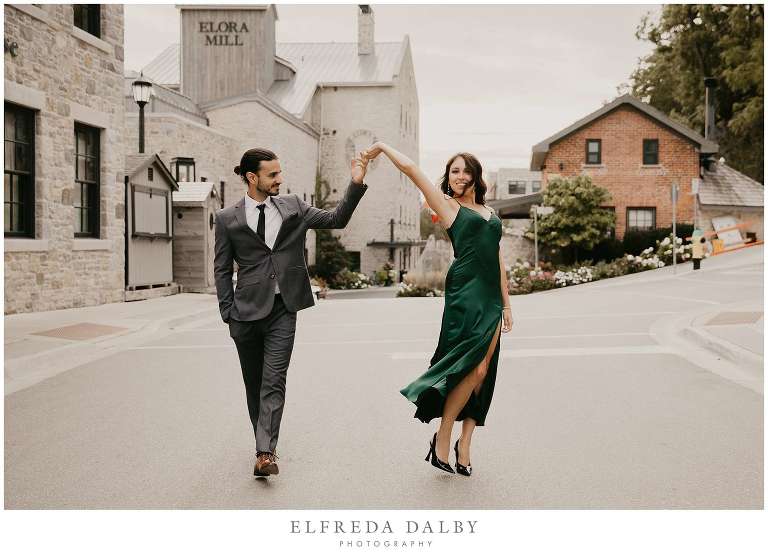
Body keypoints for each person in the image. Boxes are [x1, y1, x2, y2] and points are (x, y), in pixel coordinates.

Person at [214, 147, 369, 477]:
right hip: (244, 312)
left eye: (279, 173)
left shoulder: (294, 207)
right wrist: (227, 311)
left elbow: (335, 219)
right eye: (273, 175)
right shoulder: (228, 218)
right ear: (252, 177)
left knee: (274, 380)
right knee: (254, 384)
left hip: (284, 308)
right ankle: (263, 440)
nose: (279, 180)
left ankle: (265, 452)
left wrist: (355, 183)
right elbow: (221, 268)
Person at [364, 143, 513, 477]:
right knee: (470, 368)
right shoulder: (447, 206)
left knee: (484, 370)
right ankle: (443, 434)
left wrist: (506, 303)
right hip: (466, 291)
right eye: (453, 171)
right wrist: (382, 148)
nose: (459, 176)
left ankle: (466, 443)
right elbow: (412, 170)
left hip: (490, 294)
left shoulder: (489, 212)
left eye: (464, 170)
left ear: (476, 174)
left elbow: (498, 258)